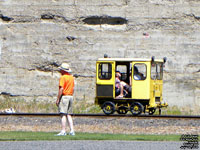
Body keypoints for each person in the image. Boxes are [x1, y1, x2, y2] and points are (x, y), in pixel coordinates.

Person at [56, 63, 75, 136]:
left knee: (63, 114)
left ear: (63, 71)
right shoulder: (71, 77)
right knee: (69, 114)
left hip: (65, 97)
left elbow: (61, 88)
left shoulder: (63, 78)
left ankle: (63, 131)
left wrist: (58, 99)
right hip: (70, 96)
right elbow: (73, 88)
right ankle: (72, 130)